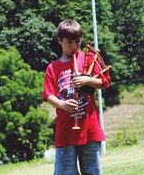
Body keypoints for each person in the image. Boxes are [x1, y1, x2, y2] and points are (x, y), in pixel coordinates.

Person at [42, 19, 111, 175]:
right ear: (60, 40)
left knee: (92, 171)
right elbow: (48, 95)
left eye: (78, 42)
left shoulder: (87, 59)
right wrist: (62, 104)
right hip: (66, 132)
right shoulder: (53, 68)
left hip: (89, 130)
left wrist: (87, 79)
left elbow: (104, 82)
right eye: (70, 42)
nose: (74, 47)